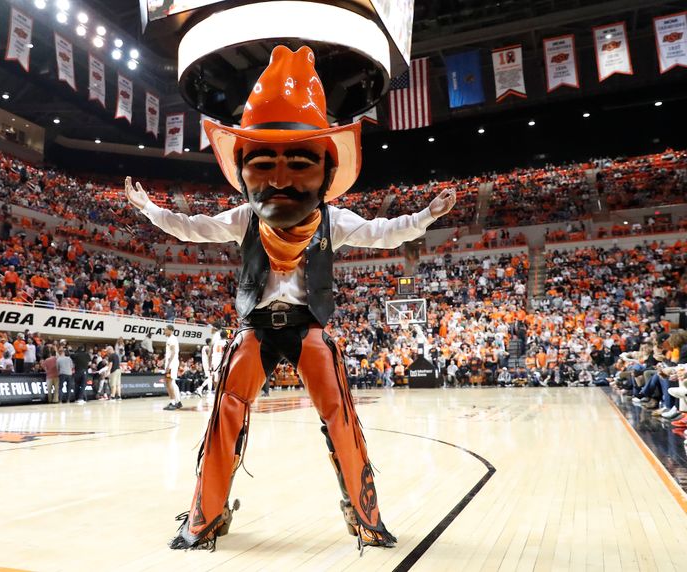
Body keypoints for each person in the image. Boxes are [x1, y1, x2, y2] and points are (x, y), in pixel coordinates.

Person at [125, 46, 455, 550]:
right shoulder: (245, 219)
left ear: (324, 171)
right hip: (257, 326)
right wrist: (150, 209)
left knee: (341, 414)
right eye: (264, 163)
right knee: (224, 412)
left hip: (307, 325)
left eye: (299, 162)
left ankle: (365, 513)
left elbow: (386, 233)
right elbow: (191, 228)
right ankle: (204, 513)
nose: (280, 179)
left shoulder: (335, 222)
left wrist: (427, 215)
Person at [162, 325, 181, 410]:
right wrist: (163, 361)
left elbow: (173, 353)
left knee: (168, 382)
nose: (164, 331)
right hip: (172, 363)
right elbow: (171, 353)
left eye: (165, 330)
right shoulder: (172, 339)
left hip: (171, 365)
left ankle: (172, 402)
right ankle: (178, 401)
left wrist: (168, 365)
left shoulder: (171, 339)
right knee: (172, 382)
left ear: (170, 330)